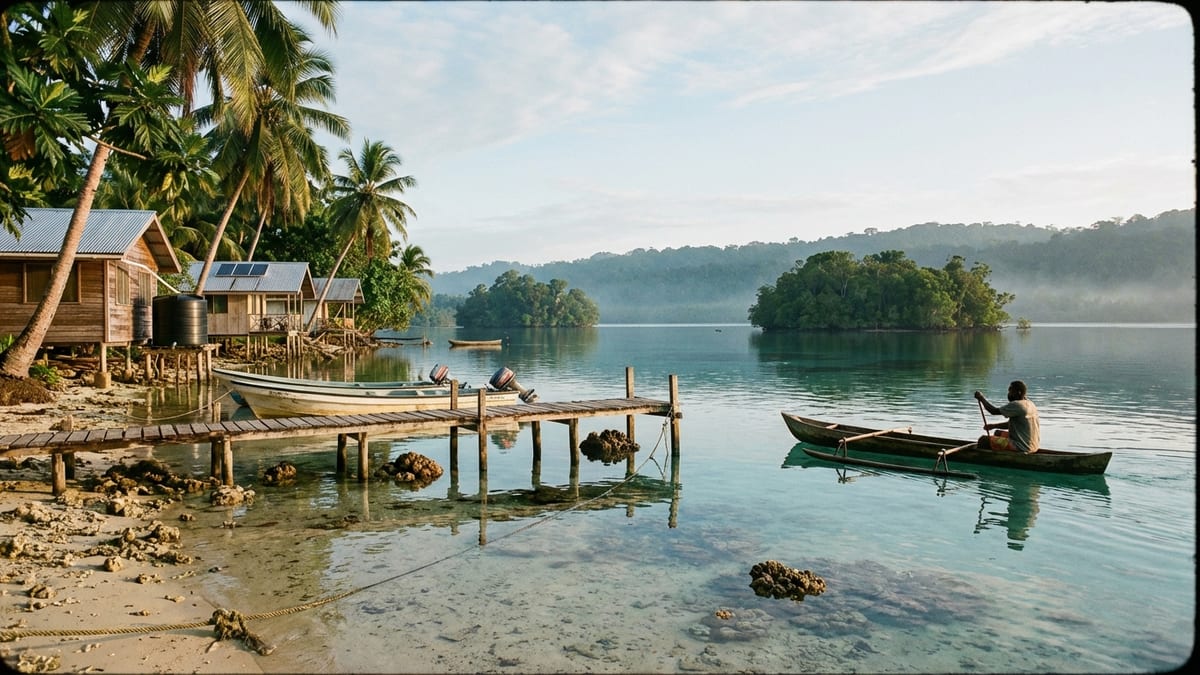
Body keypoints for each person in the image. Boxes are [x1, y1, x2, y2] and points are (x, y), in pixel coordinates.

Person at [974, 380, 1040, 453]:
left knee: (983, 440)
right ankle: (997, 448)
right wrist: (994, 426)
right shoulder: (1030, 403)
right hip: (1033, 445)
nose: (1009, 394)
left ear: (1019, 392)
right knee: (997, 433)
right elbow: (1012, 424)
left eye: (1011, 391)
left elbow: (993, 411)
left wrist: (981, 398)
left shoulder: (1017, 405)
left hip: (1021, 446)